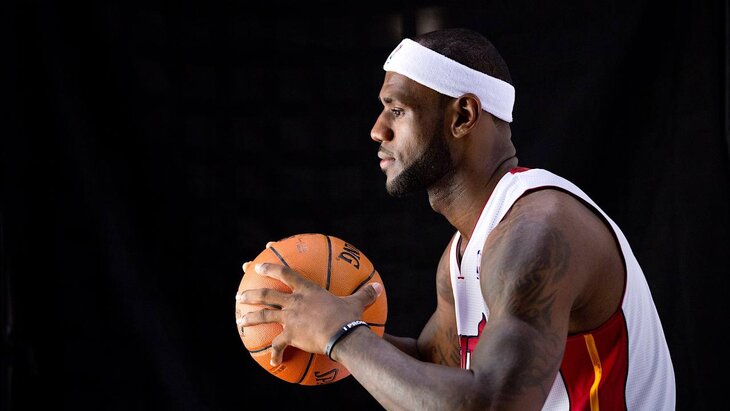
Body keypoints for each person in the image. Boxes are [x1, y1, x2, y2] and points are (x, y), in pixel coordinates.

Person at [236, 28, 676, 410]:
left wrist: (342, 335)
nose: (377, 129)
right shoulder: (465, 252)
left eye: (397, 110)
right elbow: (433, 368)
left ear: (463, 116)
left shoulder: (538, 232)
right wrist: (308, 319)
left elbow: (494, 403)